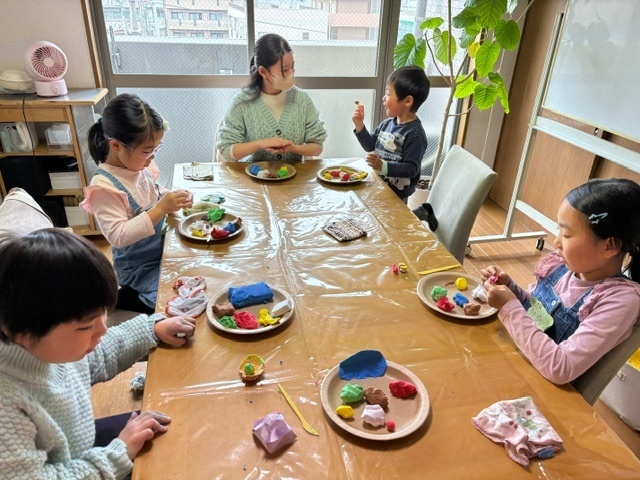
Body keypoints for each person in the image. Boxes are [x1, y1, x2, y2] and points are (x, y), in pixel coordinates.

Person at [0, 229, 196, 479]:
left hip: (77, 448)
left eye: (103, 313)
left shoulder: (48, 347)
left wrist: (151, 329)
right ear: (22, 332)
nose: (103, 328)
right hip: (63, 469)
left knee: (178, 422)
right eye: (84, 327)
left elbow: (97, 354)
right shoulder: (6, 403)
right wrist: (118, 453)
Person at [481, 178, 640, 384]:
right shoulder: (565, 267)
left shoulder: (620, 301)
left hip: (542, 392)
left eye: (566, 234)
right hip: (518, 361)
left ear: (609, 246)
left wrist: (509, 307)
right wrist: (512, 291)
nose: (556, 242)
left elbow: (561, 367)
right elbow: (537, 313)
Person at [81, 93, 193, 313]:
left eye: (155, 149)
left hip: (160, 251)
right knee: (173, 300)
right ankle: (124, 299)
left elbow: (155, 192)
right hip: (139, 268)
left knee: (194, 271)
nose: (152, 157)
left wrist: (174, 197)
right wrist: (161, 209)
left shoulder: (138, 166)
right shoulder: (105, 187)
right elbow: (118, 236)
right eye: (146, 151)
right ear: (115, 146)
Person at [216, 33, 327, 162]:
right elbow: (227, 150)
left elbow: (317, 147)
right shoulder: (242, 102)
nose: (291, 73)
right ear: (263, 72)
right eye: (285, 70)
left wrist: (293, 148)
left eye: (292, 67)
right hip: (254, 178)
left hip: (294, 179)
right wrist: (260, 144)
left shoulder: (302, 100)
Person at [352, 65, 430, 203]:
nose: (384, 98)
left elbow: (412, 169)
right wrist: (359, 125)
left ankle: (422, 213)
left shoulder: (415, 134)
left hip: (396, 196)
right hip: (379, 187)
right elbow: (370, 145)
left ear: (407, 101)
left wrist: (383, 166)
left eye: (388, 93)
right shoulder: (388, 123)